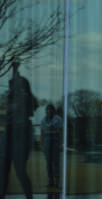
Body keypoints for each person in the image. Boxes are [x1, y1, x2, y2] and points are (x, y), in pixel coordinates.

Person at [0, 61, 38, 199]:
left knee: (19, 171)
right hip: (9, 134)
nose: (11, 86)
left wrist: (15, 70)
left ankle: (29, 196)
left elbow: (20, 98)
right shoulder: (13, 97)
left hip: (19, 135)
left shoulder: (24, 98)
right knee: (4, 170)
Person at [40, 104, 63, 189]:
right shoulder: (43, 120)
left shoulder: (58, 119)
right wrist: (42, 145)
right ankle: (51, 181)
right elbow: (42, 133)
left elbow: (61, 132)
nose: (49, 111)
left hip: (55, 140)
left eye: (51, 109)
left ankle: (58, 182)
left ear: (54, 111)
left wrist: (61, 143)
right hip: (47, 140)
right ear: (46, 111)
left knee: (56, 162)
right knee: (48, 163)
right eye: (47, 109)